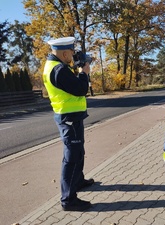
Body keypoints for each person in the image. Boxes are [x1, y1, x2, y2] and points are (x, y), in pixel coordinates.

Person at [43, 37, 94, 211]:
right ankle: (68, 200)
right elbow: (80, 89)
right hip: (69, 118)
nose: (72, 56)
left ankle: (78, 181)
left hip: (71, 117)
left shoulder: (57, 66)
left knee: (78, 151)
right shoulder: (58, 70)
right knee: (71, 157)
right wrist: (84, 72)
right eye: (71, 53)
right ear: (64, 53)